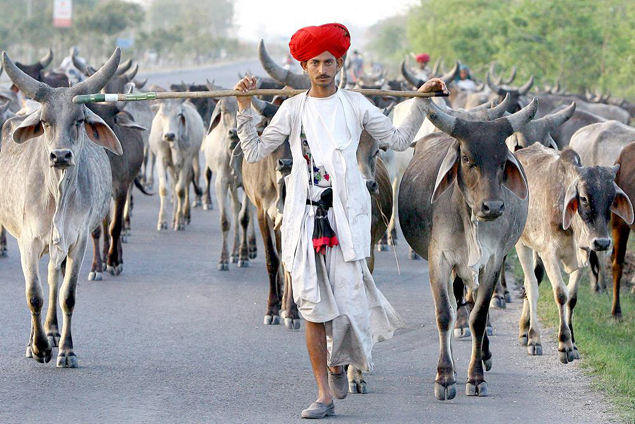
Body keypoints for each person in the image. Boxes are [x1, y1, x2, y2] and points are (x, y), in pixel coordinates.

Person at [234, 23, 447, 419]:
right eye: (314, 62)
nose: (322, 69)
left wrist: (420, 100)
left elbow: (399, 141)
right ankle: (322, 394)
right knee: (312, 308)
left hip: (348, 221)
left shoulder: (357, 106)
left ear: (340, 63)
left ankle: (338, 362)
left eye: (328, 61)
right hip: (304, 220)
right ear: (305, 66)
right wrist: (245, 109)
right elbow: (254, 151)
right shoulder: (292, 109)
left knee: (348, 307)